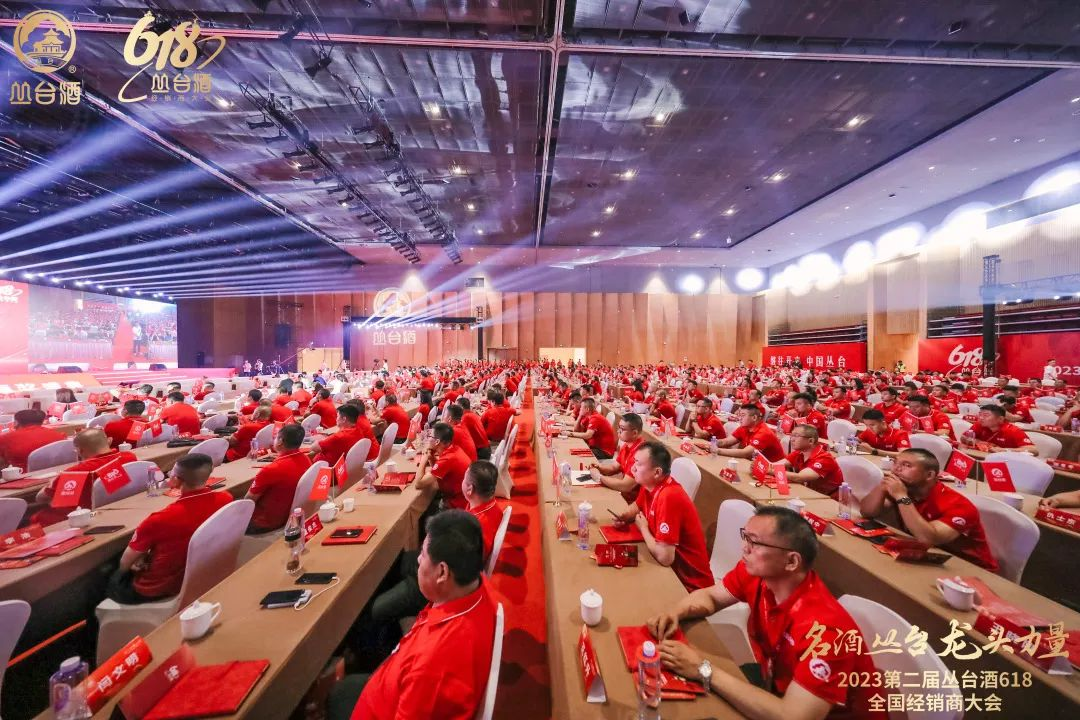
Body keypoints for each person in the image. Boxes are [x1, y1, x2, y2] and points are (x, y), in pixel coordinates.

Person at [646, 506, 884, 720]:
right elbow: (711, 597)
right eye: (745, 536)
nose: (744, 547)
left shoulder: (826, 631)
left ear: (791, 562)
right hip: (776, 687)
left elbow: (793, 716)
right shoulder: (757, 575)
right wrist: (675, 612)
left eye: (755, 542)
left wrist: (703, 669)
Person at [328, 510, 497, 720]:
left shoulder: (431, 666)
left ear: (442, 572)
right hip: (392, 681)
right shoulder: (477, 587)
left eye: (423, 555)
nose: (418, 559)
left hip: (382, 705)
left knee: (338, 696)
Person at [368, 461, 503, 625]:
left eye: (464, 479)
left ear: (469, 489)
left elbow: (450, 570)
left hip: (437, 583)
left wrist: (426, 561)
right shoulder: (490, 508)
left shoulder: (476, 526)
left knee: (376, 610)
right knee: (397, 562)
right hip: (438, 565)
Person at [105, 453, 233, 604]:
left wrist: (136, 559)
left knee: (105, 571)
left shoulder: (159, 520)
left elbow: (124, 564)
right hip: (203, 573)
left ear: (176, 480)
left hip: (157, 588)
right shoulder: (226, 499)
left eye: (171, 473)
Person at [859, 448, 999, 571]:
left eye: (906, 465)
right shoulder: (905, 489)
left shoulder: (959, 505)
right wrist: (882, 487)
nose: (896, 469)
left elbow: (928, 538)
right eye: (895, 462)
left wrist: (902, 497)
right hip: (928, 556)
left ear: (930, 475)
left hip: (971, 569)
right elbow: (867, 512)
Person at [611, 441, 714, 591]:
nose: (633, 468)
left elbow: (665, 558)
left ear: (657, 472)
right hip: (668, 570)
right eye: (634, 462)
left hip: (688, 585)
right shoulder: (650, 484)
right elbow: (637, 506)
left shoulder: (669, 496)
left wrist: (643, 528)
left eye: (638, 464)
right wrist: (624, 516)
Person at [32, 430, 138, 527]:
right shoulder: (129, 457)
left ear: (80, 450)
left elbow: (40, 498)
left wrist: (54, 482)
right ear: (108, 442)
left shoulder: (75, 473)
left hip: (83, 518)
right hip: (115, 507)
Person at [244, 424, 311, 533]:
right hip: (289, 515)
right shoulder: (306, 459)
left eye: (275, 437)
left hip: (263, 522)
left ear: (280, 441)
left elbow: (248, 501)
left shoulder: (271, 469)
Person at [773, 425, 844, 497]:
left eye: (796, 436)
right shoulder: (799, 452)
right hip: (812, 493)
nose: (792, 439)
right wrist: (770, 467)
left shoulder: (825, 458)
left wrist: (772, 471)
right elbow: (776, 465)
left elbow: (799, 477)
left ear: (811, 441)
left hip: (831, 499)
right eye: (792, 435)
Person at [589, 412, 644, 502]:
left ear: (634, 433)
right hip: (625, 494)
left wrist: (599, 477)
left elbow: (626, 486)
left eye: (622, 429)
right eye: (619, 427)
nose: (618, 431)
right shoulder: (627, 446)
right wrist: (599, 467)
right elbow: (614, 467)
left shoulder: (641, 454)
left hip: (634, 502)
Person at [415, 422, 471, 510]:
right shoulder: (454, 448)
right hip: (461, 498)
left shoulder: (448, 459)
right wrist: (431, 458)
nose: (428, 439)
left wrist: (423, 459)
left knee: (425, 507)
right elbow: (438, 470)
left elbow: (419, 484)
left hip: (457, 505)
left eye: (430, 436)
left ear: (437, 441)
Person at [712, 404, 785, 462]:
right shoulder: (744, 427)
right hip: (754, 463)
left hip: (773, 469)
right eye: (739, 415)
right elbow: (726, 442)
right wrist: (711, 444)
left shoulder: (764, 433)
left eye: (743, 415)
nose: (739, 418)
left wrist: (717, 450)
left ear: (754, 418)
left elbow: (745, 453)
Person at [310, 404, 379, 464]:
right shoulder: (358, 431)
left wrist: (318, 440)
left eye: (337, 416)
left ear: (344, 419)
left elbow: (314, 448)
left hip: (325, 469)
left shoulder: (339, 437)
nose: (336, 419)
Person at [0, 408, 66, 471]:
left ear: (16, 423)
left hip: (22, 475)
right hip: (56, 471)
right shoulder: (57, 434)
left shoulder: (6, 438)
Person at [966, 404, 1037, 454]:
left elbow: (1033, 450)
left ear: (1000, 419)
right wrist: (979, 442)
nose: (981, 418)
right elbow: (964, 437)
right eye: (980, 414)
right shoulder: (979, 424)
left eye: (985, 415)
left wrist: (1003, 450)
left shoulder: (1013, 430)